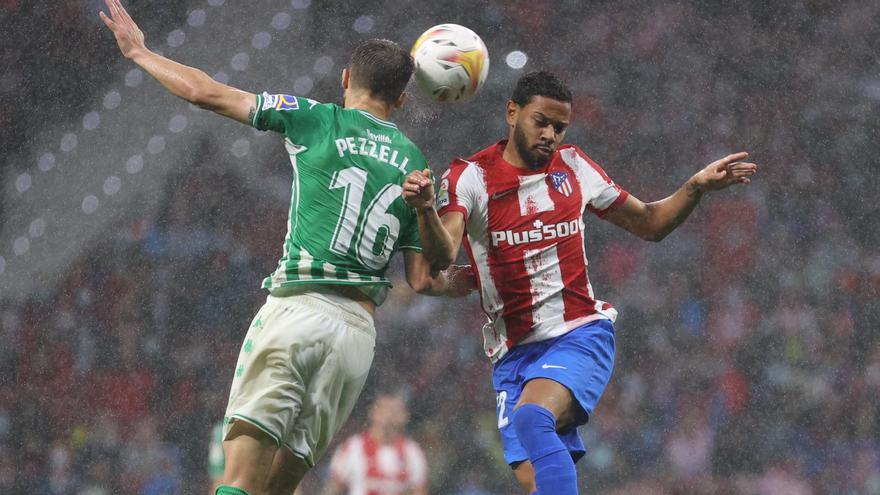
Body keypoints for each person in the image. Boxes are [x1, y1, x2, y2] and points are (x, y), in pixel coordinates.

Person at [100, 1, 463, 494]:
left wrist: (140, 53)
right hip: (355, 338)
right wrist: (460, 260)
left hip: (299, 310)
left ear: (344, 78)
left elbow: (206, 93)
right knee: (280, 487)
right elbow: (426, 276)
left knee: (238, 481)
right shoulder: (415, 163)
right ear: (401, 101)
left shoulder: (315, 118)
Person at [402, 70, 758, 494]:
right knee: (534, 479)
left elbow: (651, 223)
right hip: (512, 354)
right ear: (512, 113)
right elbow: (442, 257)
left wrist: (695, 187)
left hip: (578, 334)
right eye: (541, 122)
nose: (551, 134)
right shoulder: (470, 177)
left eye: (560, 126)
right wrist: (426, 210)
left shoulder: (573, 166)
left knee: (532, 418)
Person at [322, 394, 428, 495]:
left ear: (404, 416)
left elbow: (418, 491)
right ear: (373, 412)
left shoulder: (413, 453)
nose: (389, 415)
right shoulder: (352, 448)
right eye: (385, 409)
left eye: (395, 410)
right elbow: (333, 488)